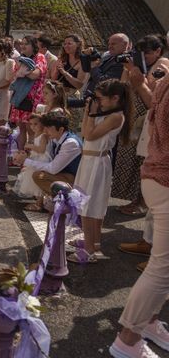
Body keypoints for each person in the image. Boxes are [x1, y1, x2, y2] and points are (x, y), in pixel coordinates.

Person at [108, 75, 169, 358]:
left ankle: (148, 322)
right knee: (163, 267)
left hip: (157, 175)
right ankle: (128, 340)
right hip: (165, 179)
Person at [67, 79, 130, 264]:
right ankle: (93, 242)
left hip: (98, 161)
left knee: (89, 207)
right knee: (89, 204)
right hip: (89, 160)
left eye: (101, 98)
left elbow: (91, 134)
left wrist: (92, 113)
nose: (98, 101)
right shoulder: (104, 112)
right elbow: (85, 132)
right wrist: (89, 111)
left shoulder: (116, 116)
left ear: (115, 98)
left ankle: (89, 249)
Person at [115, 34, 169, 217]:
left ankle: (142, 204)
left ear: (158, 51)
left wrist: (138, 75)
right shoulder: (141, 65)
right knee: (136, 162)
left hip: (150, 122)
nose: (143, 58)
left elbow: (153, 100)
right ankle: (136, 201)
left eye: (146, 54)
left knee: (144, 164)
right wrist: (129, 69)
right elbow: (123, 86)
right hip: (135, 119)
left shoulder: (162, 65)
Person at [12, 111, 82, 197]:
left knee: (39, 176)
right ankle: (51, 200)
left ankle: (66, 199)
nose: (46, 130)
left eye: (49, 128)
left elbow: (53, 168)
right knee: (36, 173)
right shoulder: (55, 137)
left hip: (73, 178)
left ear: (61, 129)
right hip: (62, 174)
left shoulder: (70, 143)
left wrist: (26, 161)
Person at [9, 35, 48, 149]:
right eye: (22, 44)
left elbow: (35, 75)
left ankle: (30, 156)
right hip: (20, 97)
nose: (23, 46)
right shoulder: (21, 58)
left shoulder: (39, 57)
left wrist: (23, 71)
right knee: (21, 129)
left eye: (26, 44)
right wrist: (25, 71)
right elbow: (15, 75)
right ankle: (21, 156)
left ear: (33, 45)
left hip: (33, 99)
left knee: (32, 130)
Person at [52, 34, 87, 130]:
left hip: (73, 95)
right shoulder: (61, 59)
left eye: (69, 43)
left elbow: (79, 84)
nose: (66, 46)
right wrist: (57, 70)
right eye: (65, 44)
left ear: (78, 44)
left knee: (71, 126)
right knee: (56, 126)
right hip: (59, 95)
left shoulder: (82, 61)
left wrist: (64, 72)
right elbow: (54, 79)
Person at [14, 114, 49, 207]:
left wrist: (30, 146)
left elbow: (42, 149)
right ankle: (38, 201)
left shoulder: (43, 136)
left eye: (36, 124)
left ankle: (39, 203)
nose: (33, 127)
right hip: (36, 158)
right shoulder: (36, 134)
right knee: (32, 180)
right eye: (31, 124)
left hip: (42, 160)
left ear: (42, 124)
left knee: (38, 182)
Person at [84, 33, 130, 98]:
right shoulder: (111, 57)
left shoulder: (123, 62)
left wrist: (94, 66)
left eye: (113, 44)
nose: (109, 46)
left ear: (125, 45)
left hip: (101, 100)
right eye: (109, 44)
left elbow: (103, 81)